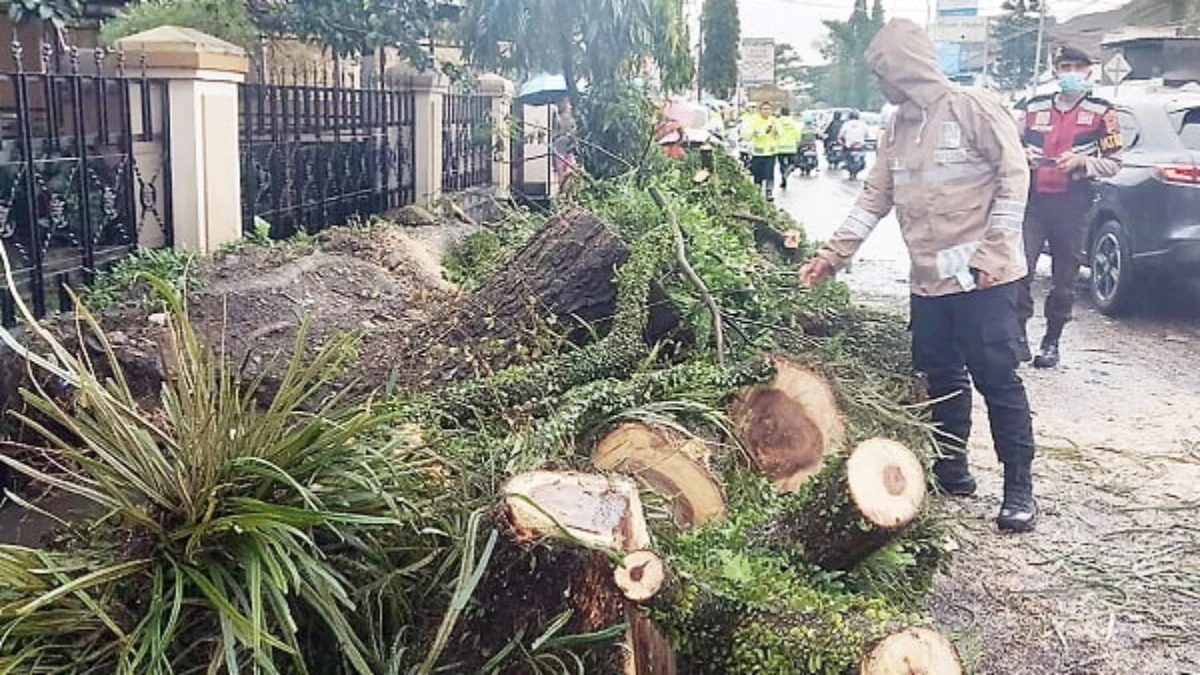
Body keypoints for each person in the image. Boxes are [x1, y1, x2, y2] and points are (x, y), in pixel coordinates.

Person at [797, 18, 1038, 532]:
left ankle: (1019, 488)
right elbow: (873, 197)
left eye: (883, 75)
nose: (881, 86)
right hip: (928, 280)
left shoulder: (973, 109)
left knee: (996, 377)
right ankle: (953, 469)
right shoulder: (897, 128)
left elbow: (1015, 178)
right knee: (939, 374)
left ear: (904, 71)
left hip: (985, 279)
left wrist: (995, 253)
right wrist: (832, 256)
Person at [1017, 46, 1123, 369]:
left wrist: (1082, 161)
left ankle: (1052, 340)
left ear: (1089, 71)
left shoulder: (1103, 112)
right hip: (1032, 201)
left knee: (1064, 277)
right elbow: (1005, 142)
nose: (1071, 72)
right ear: (1055, 69)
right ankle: (1017, 335)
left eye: (1078, 66)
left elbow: (1115, 163)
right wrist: (1021, 153)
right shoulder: (1032, 107)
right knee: (1020, 268)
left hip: (1073, 203)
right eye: (1065, 66)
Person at [744, 101, 781, 200]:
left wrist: (776, 130)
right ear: (760, 110)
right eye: (764, 109)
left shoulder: (774, 120)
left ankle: (769, 192)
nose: (766, 111)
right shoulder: (754, 120)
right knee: (758, 174)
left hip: (771, 152)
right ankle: (757, 191)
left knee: (769, 173)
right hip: (758, 152)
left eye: (768, 109)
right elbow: (747, 134)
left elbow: (780, 133)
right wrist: (758, 132)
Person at [551, 96, 578, 190]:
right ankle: (562, 191)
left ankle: (568, 189)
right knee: (560, 171)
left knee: (571, 168)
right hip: (559, 148)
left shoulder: (572, 119)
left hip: (569, 147)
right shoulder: (557, 118)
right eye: (567, 103)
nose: (569, 106)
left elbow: (574, 132)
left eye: (569, 103)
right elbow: (554, 132)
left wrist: (571, 134)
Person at [775, 107, 801, 189]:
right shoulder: (793, 122)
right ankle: (787, 172)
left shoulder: (777, 122)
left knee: (782, 164)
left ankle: (783, 179)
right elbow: (797, 134)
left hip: (780, 147)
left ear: (781, 113)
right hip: (791, 146)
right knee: (793, 163)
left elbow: (775, 133)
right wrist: (798, 142)